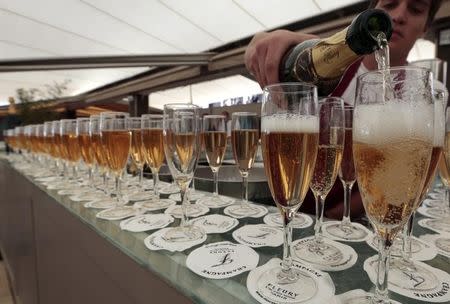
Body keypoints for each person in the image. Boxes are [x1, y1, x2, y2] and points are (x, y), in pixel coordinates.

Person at [245, 0, 443, 219]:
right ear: (371, 12)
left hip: (353, 223)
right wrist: (263, 42)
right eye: (389, 5)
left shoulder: (425, 95)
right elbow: (255, 47)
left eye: (415, 9)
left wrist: (335, 219)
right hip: (292, 213)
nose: (398, 16)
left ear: (426, 25)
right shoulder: (332, 65)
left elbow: (407, 179)